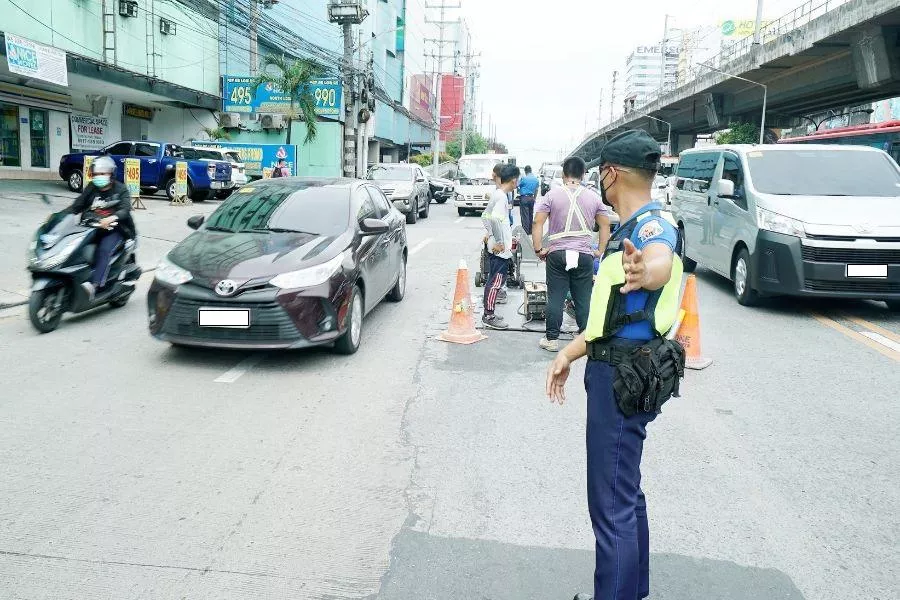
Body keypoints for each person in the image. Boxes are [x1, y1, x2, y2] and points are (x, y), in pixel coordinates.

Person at [545, 129, 685, 600]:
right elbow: (611, 319)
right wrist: (567, 353)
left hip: (621, 380)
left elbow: (660, 257)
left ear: (611, 173)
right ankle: (633, 590)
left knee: (610, 505)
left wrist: (648, 269)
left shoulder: (649, 226)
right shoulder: (629, 229)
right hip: (620, 366)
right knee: (626, 493)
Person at [532, 156, 611, 352]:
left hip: (557, 253)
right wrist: (599, 251)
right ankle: (586, 338)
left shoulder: (551, 195)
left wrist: (538, 249)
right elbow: (605, 225)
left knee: (556, 297)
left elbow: (537, 223)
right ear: (583, 174)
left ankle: (551, 339)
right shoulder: (593, 197)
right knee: (583, 297)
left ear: (563, 174)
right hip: (584, 254)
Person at [68, 155, 136, 300]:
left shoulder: (120, 189)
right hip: (92, 227)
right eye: (96, 174)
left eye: (103, 174)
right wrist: (59, 216)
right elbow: (77, 205)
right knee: (76, 247)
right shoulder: (92, 187)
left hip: (117, 229)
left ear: (111, 174)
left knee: (103, 250)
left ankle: (95, 285)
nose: (99, 176)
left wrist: (112, 217)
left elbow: (125, 209)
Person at [481, 164, 520, 330]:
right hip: (499, 249)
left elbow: (485, 216)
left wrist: (490, 234)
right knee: (496, 281)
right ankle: (489, 315)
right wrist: (498, 241)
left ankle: (489, 313)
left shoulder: (498, 195)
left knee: (493, 280)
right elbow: (495, 218)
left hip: (495, 246)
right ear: (513, 180)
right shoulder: (502, 197)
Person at [517, 165, 540, 234]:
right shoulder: (536, 179)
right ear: (531, 170)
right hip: (531, 198)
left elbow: (517, 185)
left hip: (524, 198)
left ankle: (525, 231)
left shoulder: (524, 178)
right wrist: (534, 198)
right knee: (530, 214)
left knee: (525, 215)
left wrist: (520, 189)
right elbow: (536, 190)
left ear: (525, 171)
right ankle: (530, 230)